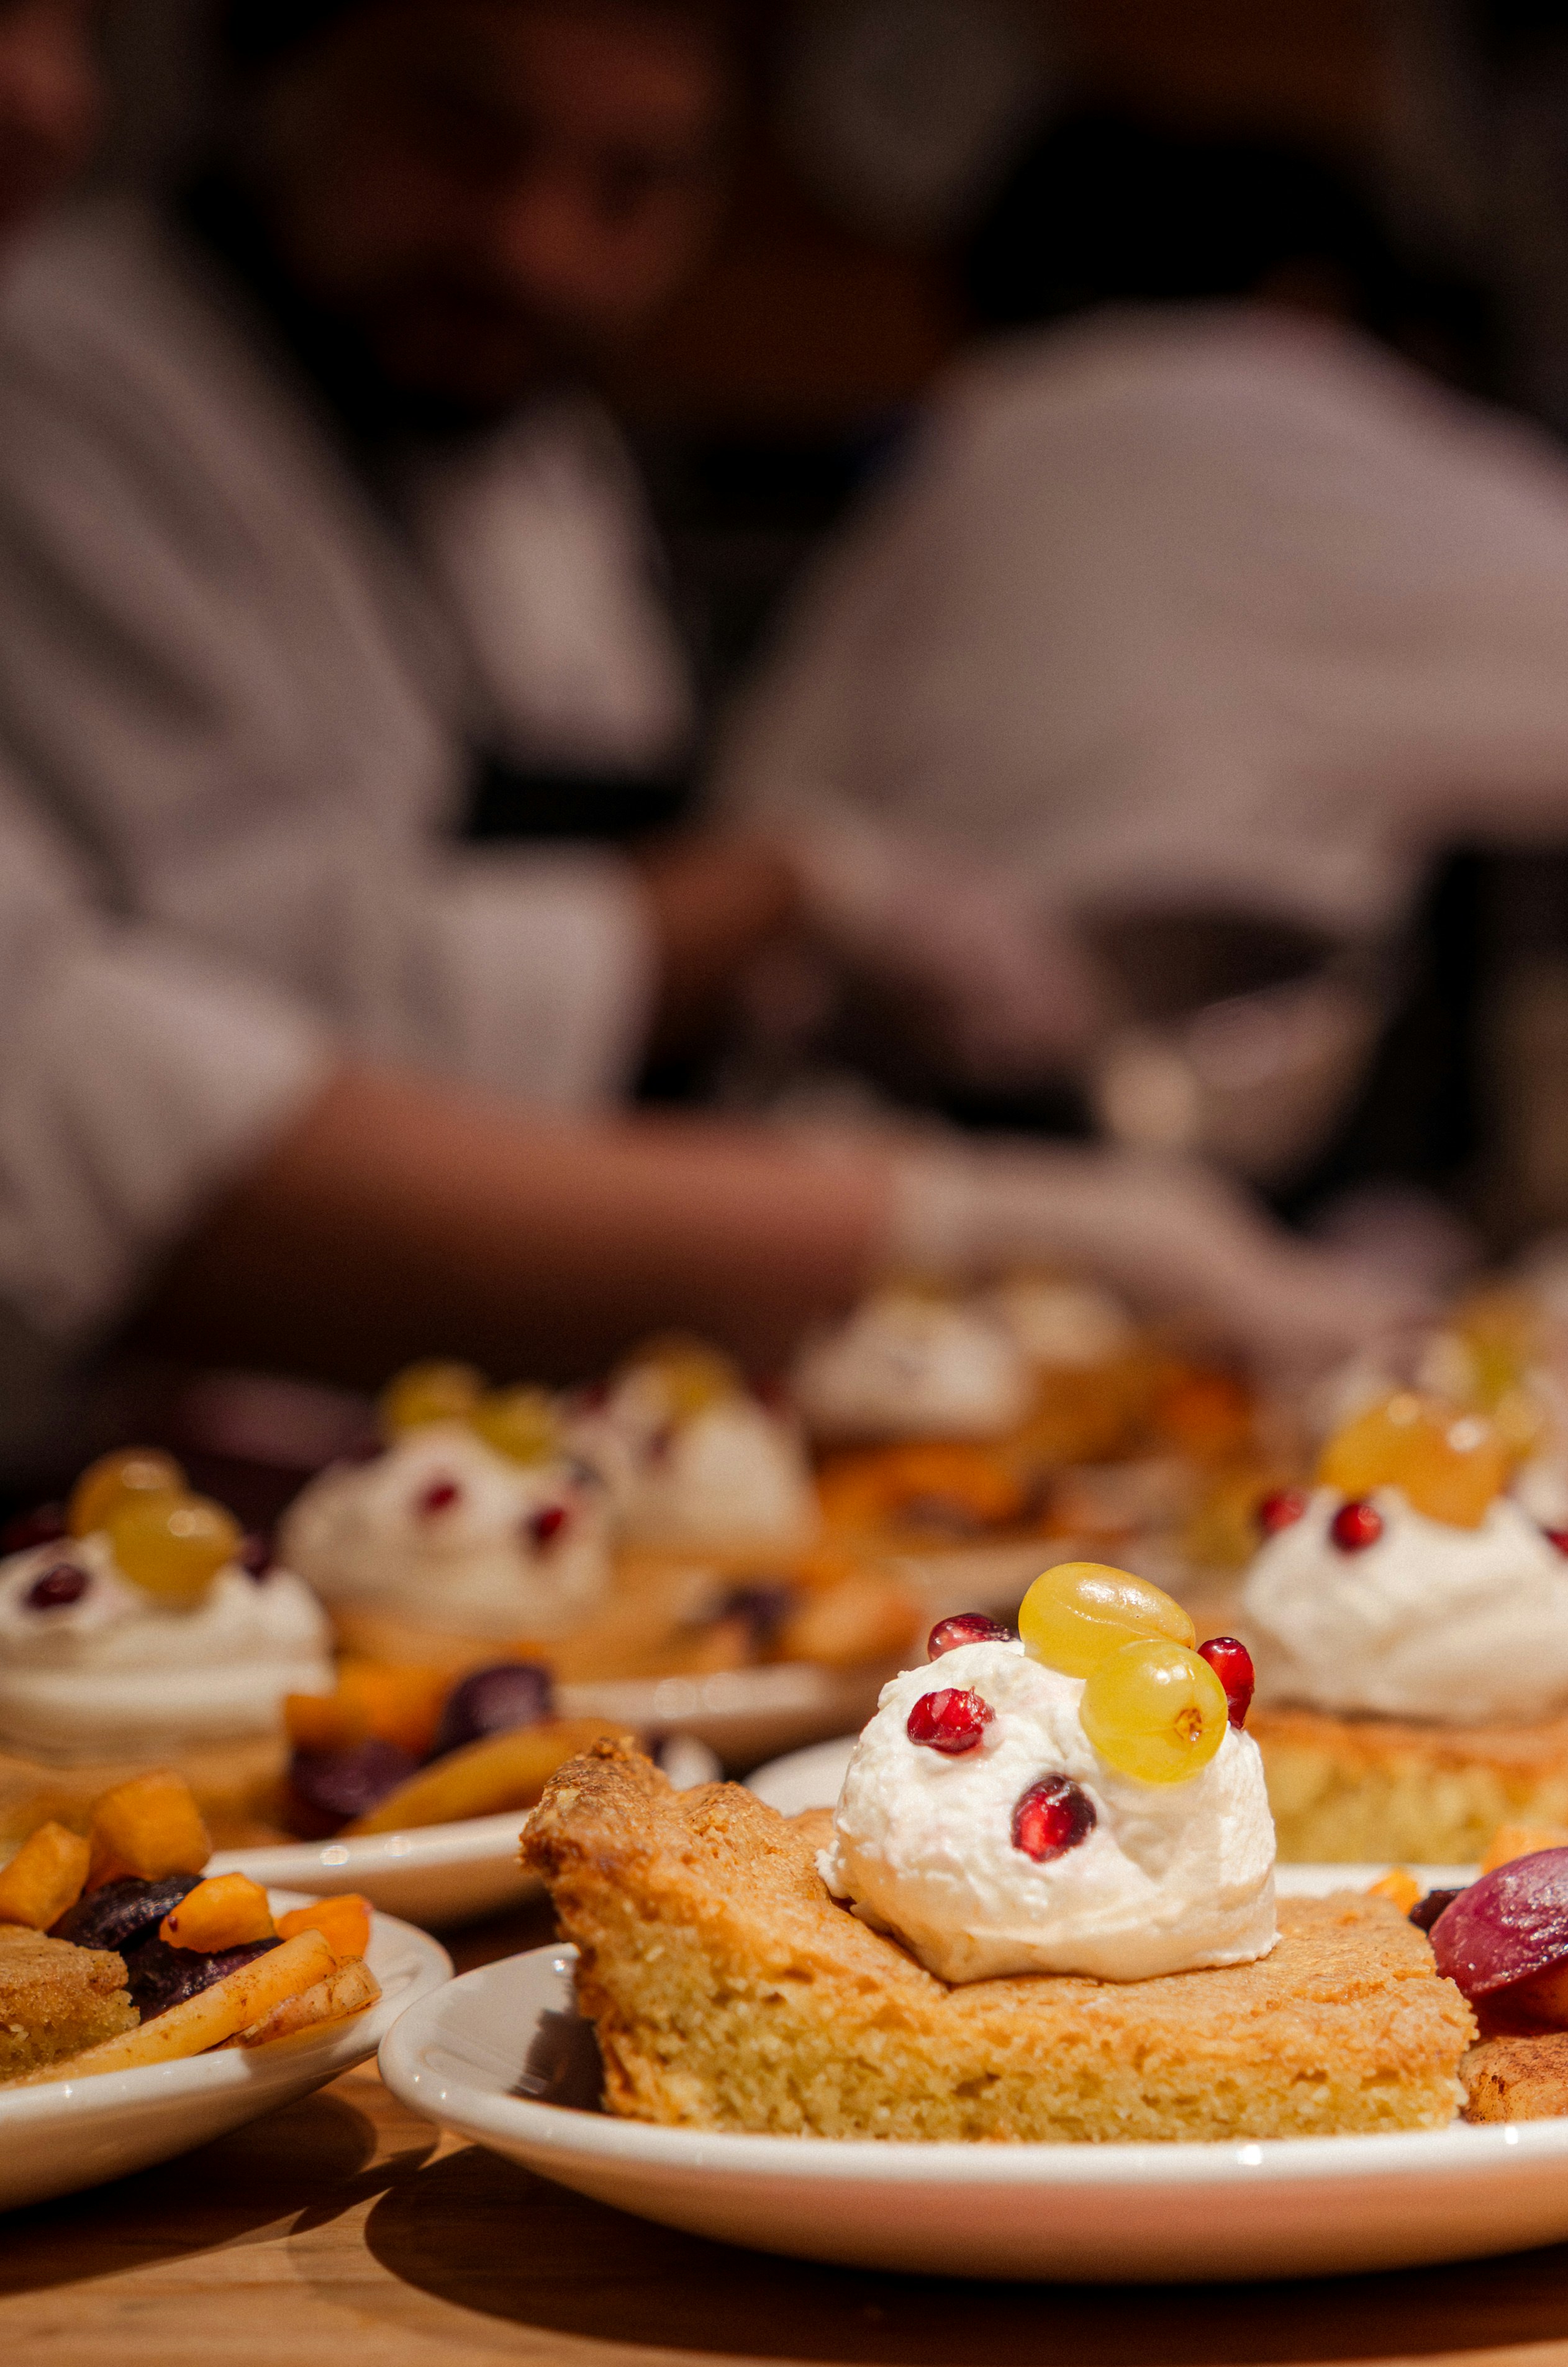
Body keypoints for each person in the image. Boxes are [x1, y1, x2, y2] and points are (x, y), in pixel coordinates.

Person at [0, 0, 1414, 1442]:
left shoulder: (535, 446)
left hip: (544, 1394)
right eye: (458, 138)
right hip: (168, 1418)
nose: (533, 246)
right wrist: (788, 912)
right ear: (282, 79)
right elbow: (190, 1070)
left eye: (630, 186)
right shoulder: (65, 378)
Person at [718, 112, 1568, 1175]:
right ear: (1310, 308)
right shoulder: (1260, 402)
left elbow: (751, 823)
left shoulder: (960, 444)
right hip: (1147, 1134)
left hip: (831, 1170)